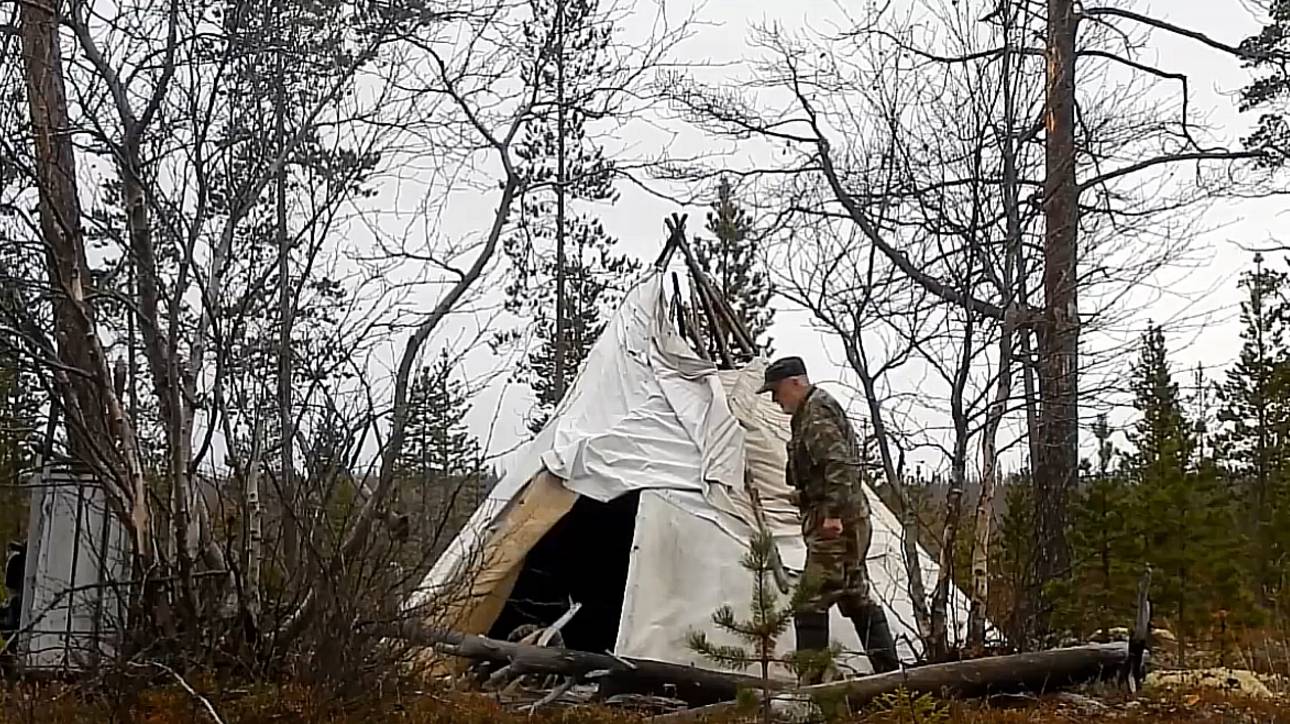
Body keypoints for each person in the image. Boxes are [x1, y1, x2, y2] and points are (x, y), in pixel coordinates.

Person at [757, 356, 899, 680]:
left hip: (836, 524)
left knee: (810, 601)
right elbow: (824, 470)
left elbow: (840, 464)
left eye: (777, 392)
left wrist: (833, 514)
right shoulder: (810, 412)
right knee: (853, 595)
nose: (776, 401)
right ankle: (891, 678)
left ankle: (814, 686)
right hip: (842, 518)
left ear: (796, 383)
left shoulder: (816, 414)